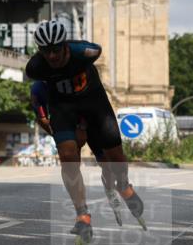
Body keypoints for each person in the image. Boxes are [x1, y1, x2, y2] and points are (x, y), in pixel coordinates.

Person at [25, 19, 144, 245]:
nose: (52, 56)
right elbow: (41, 109)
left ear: (65, 45)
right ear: (40, 51)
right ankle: (82, 214)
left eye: (56, 49)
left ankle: (123, 185)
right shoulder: (35, 68)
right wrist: (61, 132)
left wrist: (85, 125)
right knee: (68, 156)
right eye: (46, 51)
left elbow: (96, 49)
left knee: (114, 157)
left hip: (95, 105)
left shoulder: (87, 52)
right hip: (64, 109)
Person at [30, 80, 124, 225]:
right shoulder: (38, 88)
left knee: (106, 164)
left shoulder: (72, 77)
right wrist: (58, 137)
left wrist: (82, 127)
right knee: (71, 164)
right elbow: (42, 119)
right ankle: (81, 210)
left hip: (91, 120)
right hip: (66, 122)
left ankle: (110, 189)